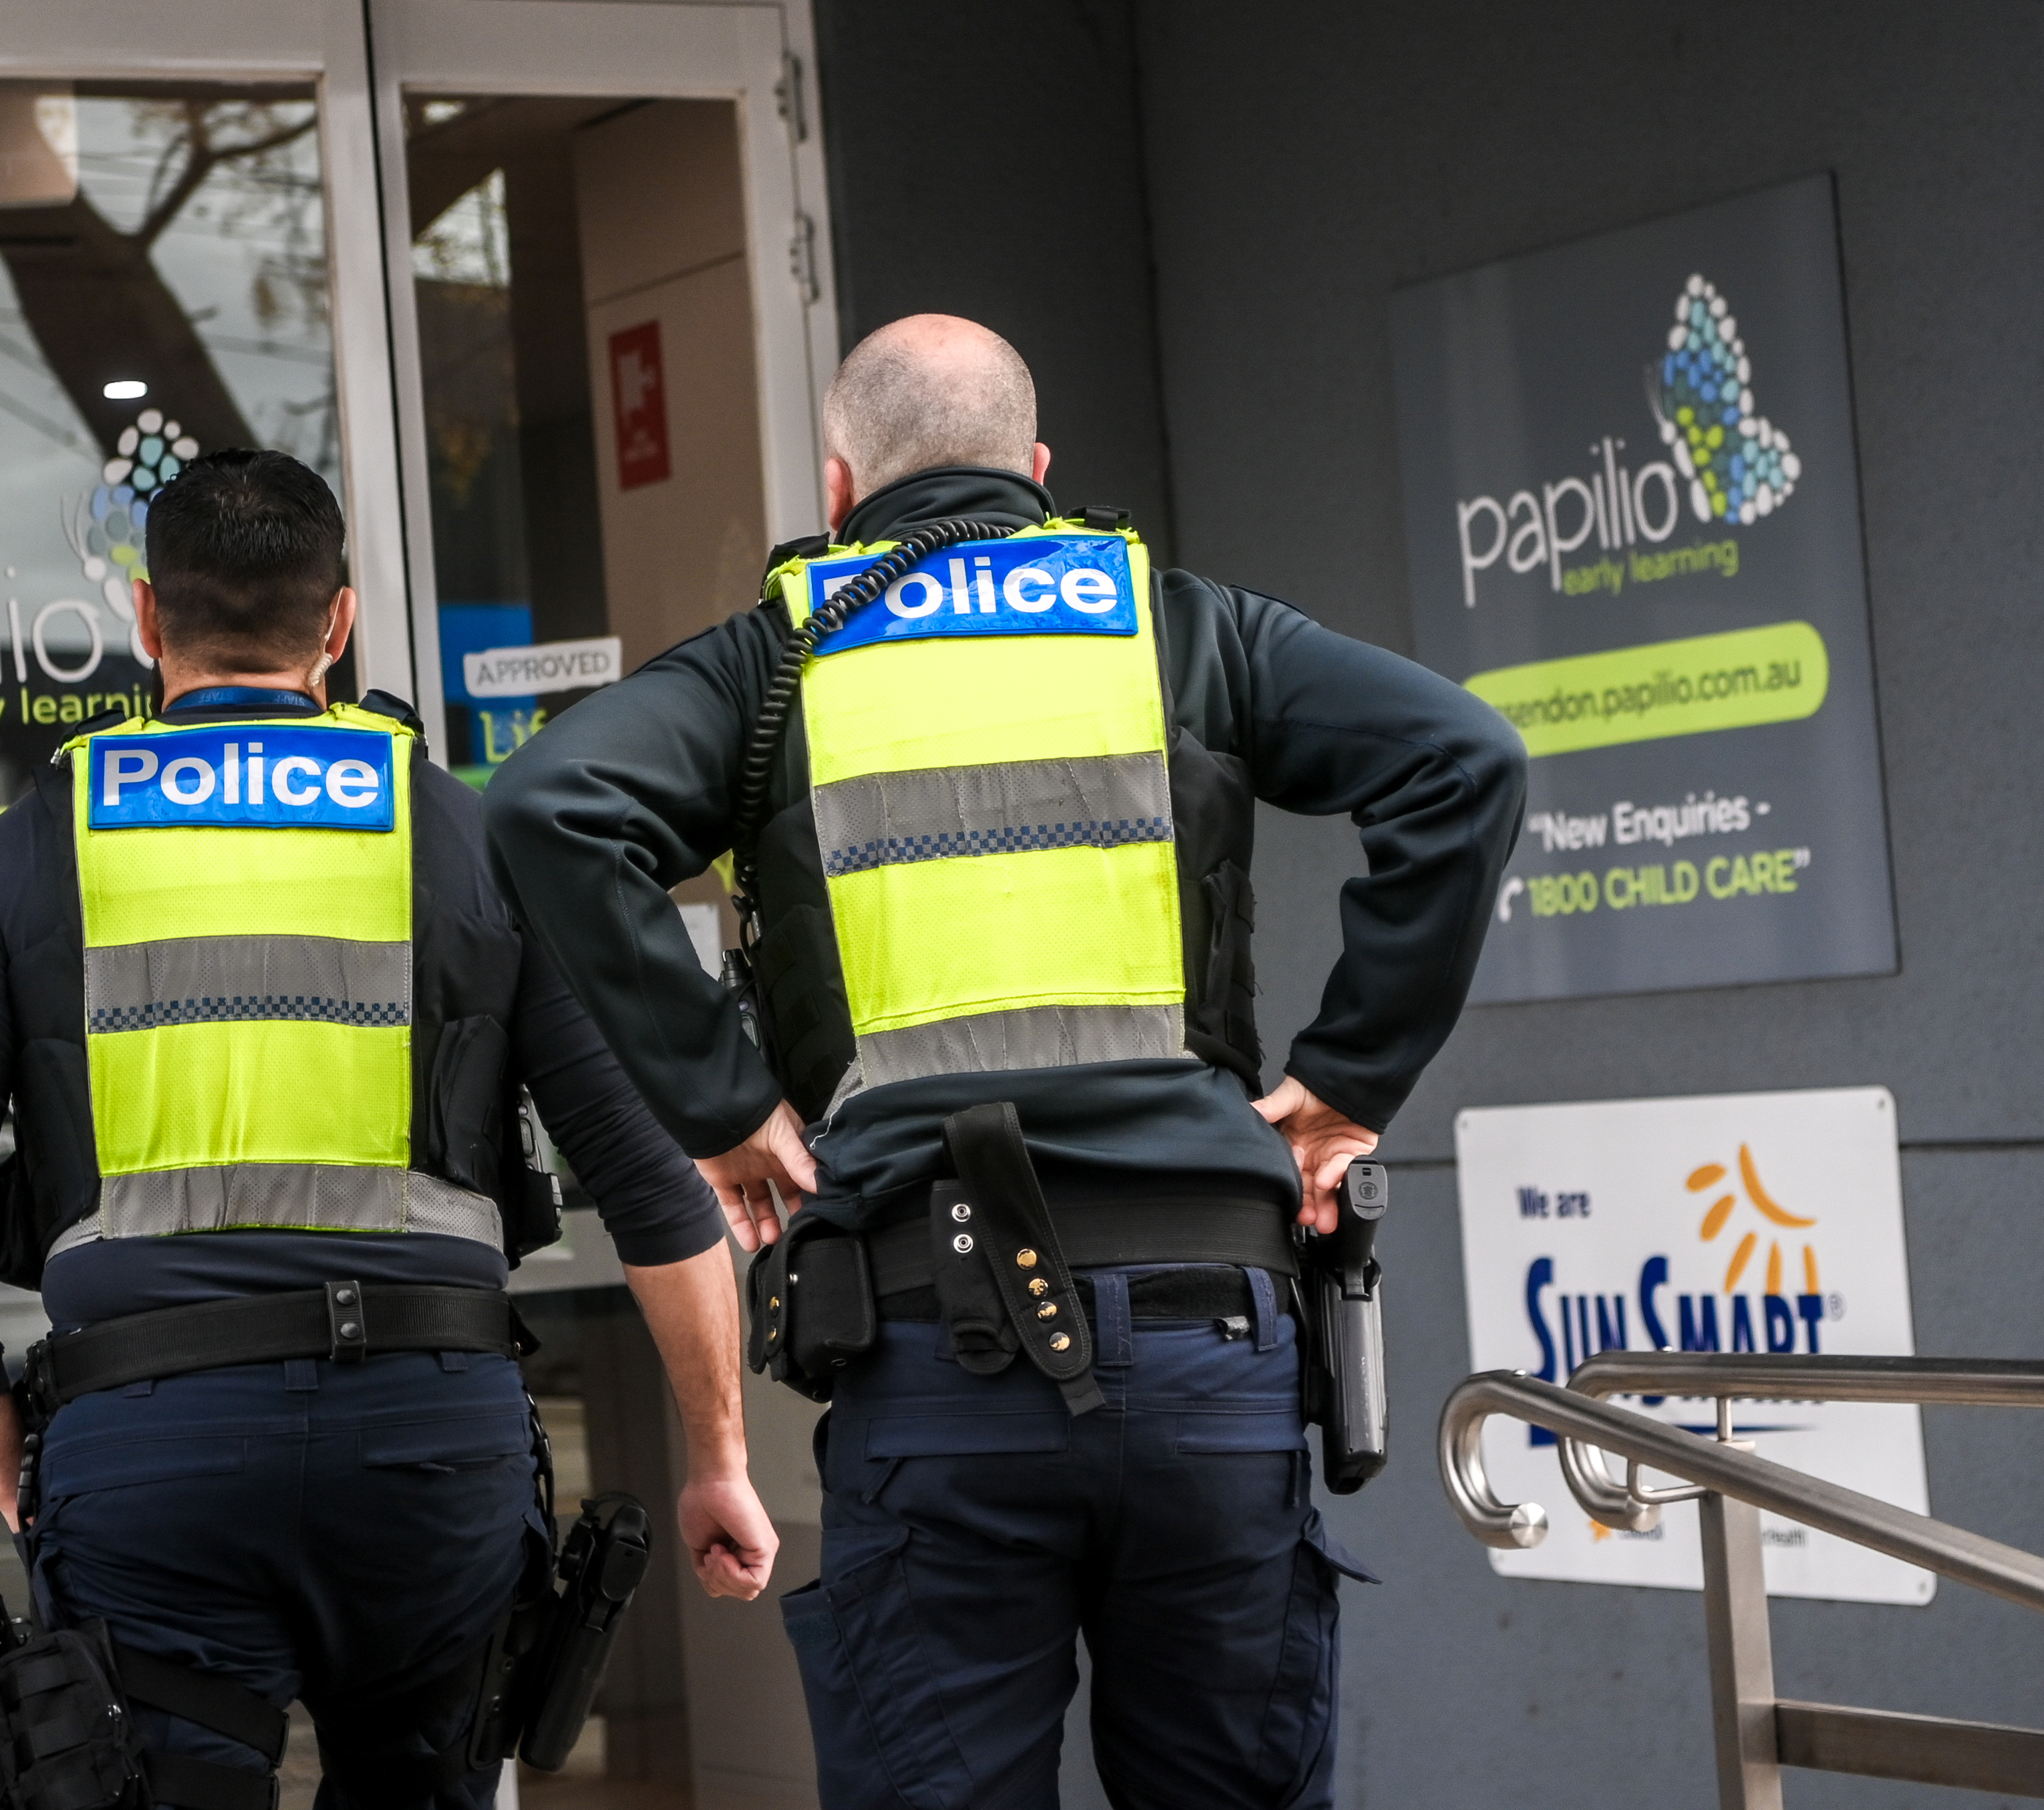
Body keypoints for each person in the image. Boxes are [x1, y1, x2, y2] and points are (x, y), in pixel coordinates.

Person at [483, 315, 1526, 1807]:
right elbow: (1463, 758)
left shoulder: (778, 660)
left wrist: (721, 1108)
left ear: (839, 487)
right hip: (1209, 1353)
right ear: (1036, 473)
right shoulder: (1168, 624)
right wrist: (1348, 1078)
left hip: (936, 1354)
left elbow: (546, 807)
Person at [0, 448, 776, 1810]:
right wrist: (719, 1458)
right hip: (428, 1451)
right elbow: (651, 1180)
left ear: (149, 621)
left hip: (149, 1456)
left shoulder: (20, 855)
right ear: (337, 625)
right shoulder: (468, 841)